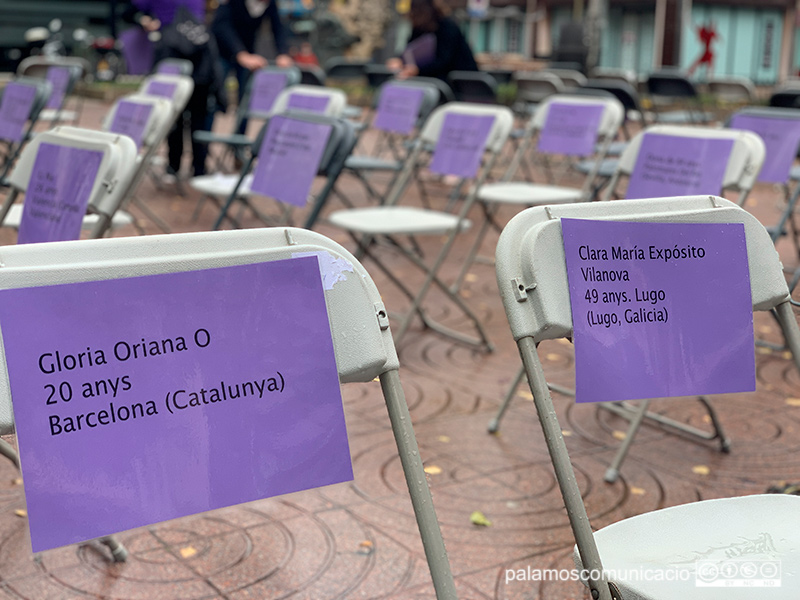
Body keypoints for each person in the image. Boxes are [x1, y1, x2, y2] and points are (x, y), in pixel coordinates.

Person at [124, 0, 224, 178]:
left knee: (179, 116)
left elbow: (129, 12)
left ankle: (180, 167)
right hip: (186, 57)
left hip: (186, 59)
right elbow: (130, 11)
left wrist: (145, 21)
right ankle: (190, 168)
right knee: (185, 117)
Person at [211, 0, 293, 133]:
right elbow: (221, 27)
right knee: (214, 97)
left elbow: (277, 27)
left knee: (246, 99)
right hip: (222, 52)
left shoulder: (269, 4)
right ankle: (202, 147)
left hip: (248, 52)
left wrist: (282, 53)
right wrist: (240, 53)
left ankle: (238, 144)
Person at [387, 0, 478, 81]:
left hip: (459, 80)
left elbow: (444, 60)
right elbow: (409, 49)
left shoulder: (447, 27)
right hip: (434, 79)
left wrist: (418, 70)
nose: (410, 15)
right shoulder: (419, 28)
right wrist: (399, 60)